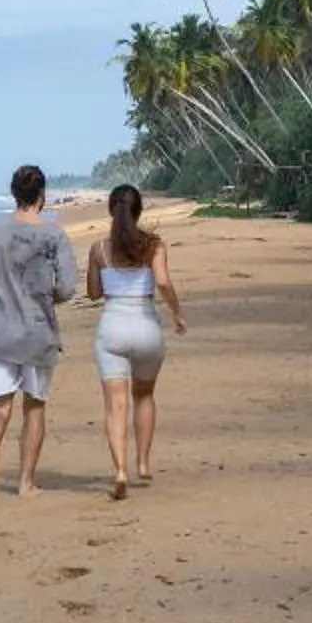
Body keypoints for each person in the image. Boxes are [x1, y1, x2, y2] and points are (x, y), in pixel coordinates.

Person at [0, 164, 79, 498]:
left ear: (13, 194)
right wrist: (44, 295)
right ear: (41, 195)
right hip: (37, 331)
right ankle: (27, 482)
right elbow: (69, 288)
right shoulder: (53, 235)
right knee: (35, 406)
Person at [84, 184, 186, 500]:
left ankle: (120, 471)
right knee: (144, 396)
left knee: (116, 406)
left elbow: (94, 294)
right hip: (146, 328)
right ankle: (142, 462)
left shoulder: (99, 249)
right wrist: (177, 314)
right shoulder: (154, 245)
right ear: (139, 210)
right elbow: (164, 282)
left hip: (112, 327)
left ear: (110, 211)